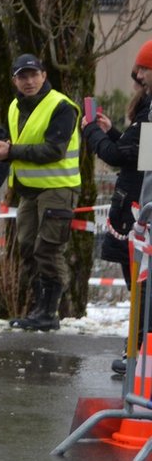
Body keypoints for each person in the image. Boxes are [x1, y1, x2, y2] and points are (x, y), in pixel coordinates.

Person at [0, 53, 81, 331]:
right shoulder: (15, 106)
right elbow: (19, 143)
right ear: (14, 80)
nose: (29, 81)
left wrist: (11, 151)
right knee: (28, 247)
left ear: (44, 75)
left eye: (33, 75)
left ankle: (49, 313)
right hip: (28, 190)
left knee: (48, 249)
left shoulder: (61, 106)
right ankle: (39, 308)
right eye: (22, 76)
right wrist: (3, 152)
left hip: (58, 187)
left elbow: (54, 150)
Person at [83, 39, 152, 372]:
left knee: (140, 286)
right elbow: (141, 157)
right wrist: (113, 133)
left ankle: (138, 353)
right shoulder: (147, 113)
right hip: (136, 207)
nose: (138, 75)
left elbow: (119, 157)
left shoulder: (149, 115)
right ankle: (137, 350)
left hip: (136, 212)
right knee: (140, 286)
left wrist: (92, 133)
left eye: (144, 69)